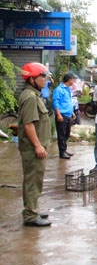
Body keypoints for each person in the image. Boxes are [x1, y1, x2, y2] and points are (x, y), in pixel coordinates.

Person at [17, 62, 52, 227]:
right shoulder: (30, 97)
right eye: (42, 76)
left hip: (35, 146)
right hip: (33, 148)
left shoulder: (34, 95)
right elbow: (28, 125)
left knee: (33, 180)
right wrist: (38, 146)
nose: (45, 79)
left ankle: (32, 209)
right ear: (31, 79)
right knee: (33, 181)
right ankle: (31, 215)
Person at [52, 72, 77, 159]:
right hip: (62, 115)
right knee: (61, 134)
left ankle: (64, 149)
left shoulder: (67, 89)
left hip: (68, 115)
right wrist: (58, 114)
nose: (73, 81)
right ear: (69, 79)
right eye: (73, 79)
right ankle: (62, 152)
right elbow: (56, 102)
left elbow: (68, 102)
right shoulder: (59, 89)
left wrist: (72, 112)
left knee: (67, 134)